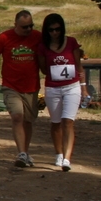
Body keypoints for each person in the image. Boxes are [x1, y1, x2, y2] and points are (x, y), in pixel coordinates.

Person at [0, 9, 43, 167]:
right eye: (25, 27)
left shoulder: (38, 37)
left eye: (31, 25)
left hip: (31, 86)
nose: (28, 29)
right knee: (17, 116)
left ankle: (26, 151)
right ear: (15, 25)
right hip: (11, 86)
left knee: (28, 120)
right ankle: (21, 153)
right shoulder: (4, 37)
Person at [39, 12, 85, 171]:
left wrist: (84, 88)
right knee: (56, 122)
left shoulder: (72, 43)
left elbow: (79, 66)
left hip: (72, 87)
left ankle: (67, 158)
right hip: (53, 87)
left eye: (57, 29)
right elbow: (44, 69)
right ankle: (58, 153)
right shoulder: (43, 47)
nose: (54, 33)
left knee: (68, 121)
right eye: (51, 30)